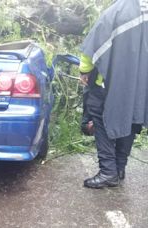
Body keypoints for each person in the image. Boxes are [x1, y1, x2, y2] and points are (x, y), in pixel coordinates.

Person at [80, 0, 147, 189]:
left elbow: (94, 46)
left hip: (110, 85)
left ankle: (108, 172)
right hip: (141, 86)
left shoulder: (117, 11)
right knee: (131, 121)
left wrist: (84, 71)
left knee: (102, 119)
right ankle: (119, 168)